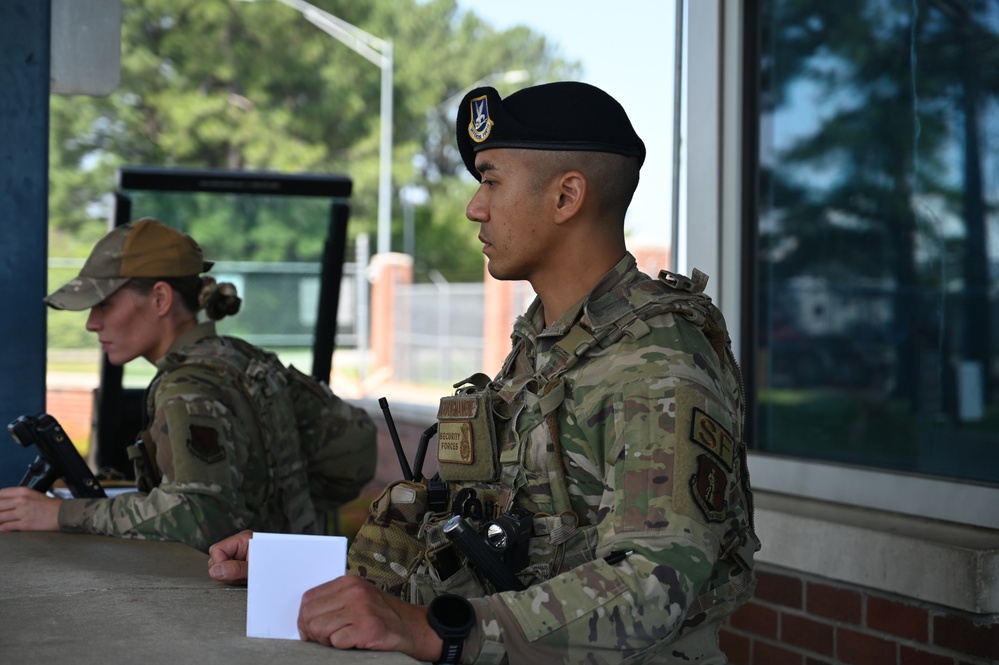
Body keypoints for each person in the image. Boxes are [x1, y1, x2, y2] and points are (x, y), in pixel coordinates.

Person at [208, 81, 760, 663]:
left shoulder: (657, 357)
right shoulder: (548, 344)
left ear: (566, 196)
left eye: (491, 180)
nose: (475, 206)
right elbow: (483, 538)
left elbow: (655, 583)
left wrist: (438, 629)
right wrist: (301, 576)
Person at [0, 218, 375, 552]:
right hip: (283, 572)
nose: (91, 323)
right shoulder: (237, 357)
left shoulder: (189, 388)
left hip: (237, 600)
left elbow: (199, 517)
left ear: (160, 298)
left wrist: (63, 513)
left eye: (105, 305)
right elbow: (352, 453)